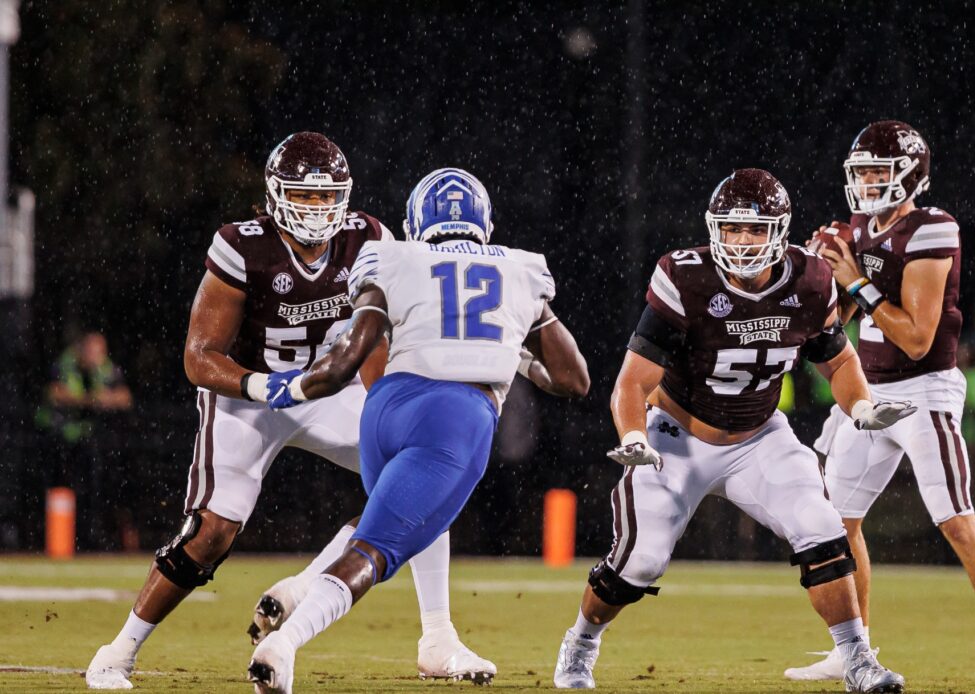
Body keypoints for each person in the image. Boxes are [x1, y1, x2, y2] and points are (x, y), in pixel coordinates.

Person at [85, 135, 493, 689]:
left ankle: (437, 637)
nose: (318, 210)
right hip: (248, 395)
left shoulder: (367, 238)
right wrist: (263, 386)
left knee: (419, 472)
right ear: (277, 194)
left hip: (328, 389)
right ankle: (118, 650)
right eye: (305, 196)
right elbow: (199, 357)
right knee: (210, 535)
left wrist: (385, 402)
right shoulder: (243, 246)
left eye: (329, 200)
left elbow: (376, 336)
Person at [552, 169, 913, 693]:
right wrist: (634, 437)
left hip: (759, 437)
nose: (741, 242)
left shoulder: (810, 279)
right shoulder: (685, 277)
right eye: (732, 229)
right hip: (675, 437)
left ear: (780, 231)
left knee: (823, 528)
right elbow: (632, 382)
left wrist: (861, 408)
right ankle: (581, 642)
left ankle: (857, 659)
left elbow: (838, 361)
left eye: (754, 230)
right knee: (639, 562)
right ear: (714, 229)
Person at [246, 167, 589, 694]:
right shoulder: (519, 269)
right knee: (377, 549)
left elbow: (347, 360)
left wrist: (289, 389)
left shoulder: (395, 257)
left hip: (385, 408)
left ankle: (433, 636)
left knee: (408, 517)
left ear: (415, 223)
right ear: (485, 224)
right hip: (456, 417)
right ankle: (285, 644)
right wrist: (513, 350)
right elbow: (573, 379)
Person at [784, 121, 975, 683]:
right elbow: (842, 321)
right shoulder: (860, 226)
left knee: (955, 520)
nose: (869, 182)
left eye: (879, 171)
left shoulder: (933, 229)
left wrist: (856, 280)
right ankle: (855, 648)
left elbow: (916, 337)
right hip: (868, 390)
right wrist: (818, 275)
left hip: (923, 388)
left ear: (910, 176)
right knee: (837, 521)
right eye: (862, 172)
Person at [36, 330, 134, 550]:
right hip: (61, 439)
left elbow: (125, 397)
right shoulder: (65, 364)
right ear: (81, 349)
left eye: (100, 351)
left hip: (92, 442)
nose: (95, 356)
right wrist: (87, 400)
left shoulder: (106, 368)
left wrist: (105, 399)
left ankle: (90, 540)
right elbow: (54, 392)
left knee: (96, 492)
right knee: (61, 490)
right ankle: (57, 542)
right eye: (91, 350)